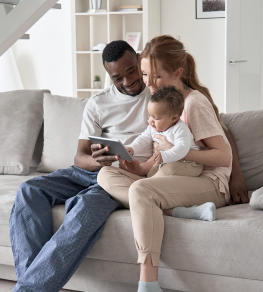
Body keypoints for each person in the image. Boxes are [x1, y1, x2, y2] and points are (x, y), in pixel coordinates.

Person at [97, 35, 249, 292]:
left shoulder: (193, 103)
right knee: (105, 175)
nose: (147, 83)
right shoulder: (159, 99)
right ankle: (174, 211)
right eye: (145, 74)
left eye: (155, 76)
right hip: (168, 175)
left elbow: (223, 157)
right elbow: (150, 138)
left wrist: (178, 153)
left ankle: (148, 282)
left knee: (141, 190)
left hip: (209, 182)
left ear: (178, 71)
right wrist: (129, 153)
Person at [9, 40, 151, 292]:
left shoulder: (158, 93)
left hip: (121, 178)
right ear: (109, 75)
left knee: (85, 206)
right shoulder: (98, 103)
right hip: (90, 171)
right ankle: (32, 286)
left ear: (139, 60)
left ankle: (28, 288)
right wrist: (95, 160)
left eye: (131, 70)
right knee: (29, 190)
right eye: (118, 77)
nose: (128, 81)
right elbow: (79, 157)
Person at [127, 86, 203, 178]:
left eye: (156, 118)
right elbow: (143, 138)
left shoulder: (180, 129)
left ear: (174, 118)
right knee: (152, 173)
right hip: (167, 162)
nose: (151, 121)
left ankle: (152, 184)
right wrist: (132, 148)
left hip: (190, 164)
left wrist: (165, 156)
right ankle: (150, 184)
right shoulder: (153, 127)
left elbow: (182, 148)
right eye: (150, 116)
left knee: (169, 170)